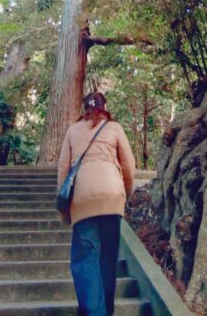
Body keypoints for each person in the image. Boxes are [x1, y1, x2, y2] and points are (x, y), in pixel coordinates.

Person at [57, 91, 137, 316]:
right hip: (112, 200)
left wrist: (64, 209)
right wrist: (124, 195)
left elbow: (63, 170)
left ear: (85, 108)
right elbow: (129, 166)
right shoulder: (114, 128)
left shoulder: (73, 130)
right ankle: (105, 311)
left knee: (86, 258)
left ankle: (94, 311)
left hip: (83, 203)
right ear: (105, 106)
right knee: (108, 259)